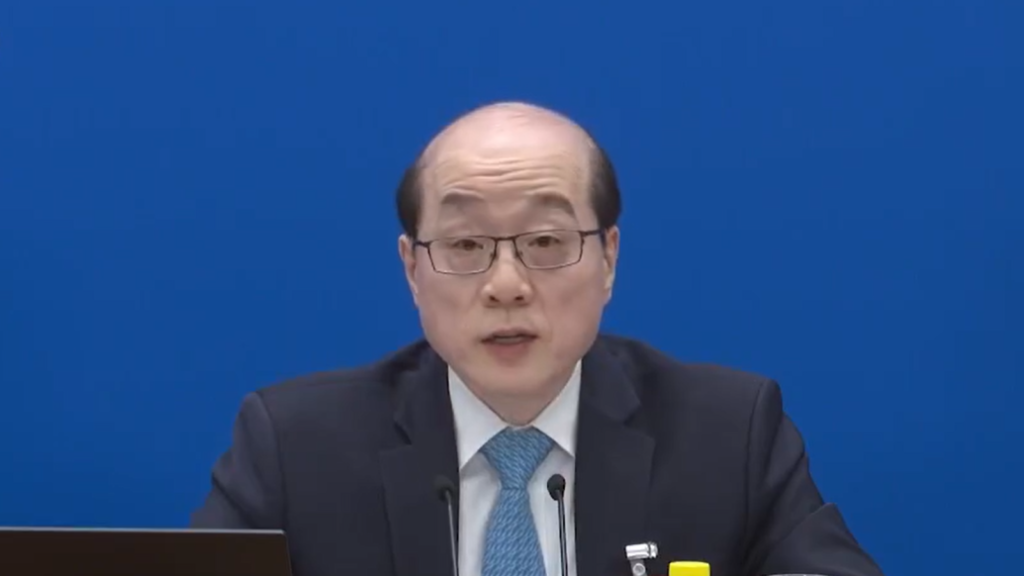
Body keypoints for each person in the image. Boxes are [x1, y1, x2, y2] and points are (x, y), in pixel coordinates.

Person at [191, 101, 884, 576]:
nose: (506, 284)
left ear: (608, 259)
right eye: (466, 244)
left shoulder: (727, 432)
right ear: (412, 269)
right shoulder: (295, 446)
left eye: (546, 241)